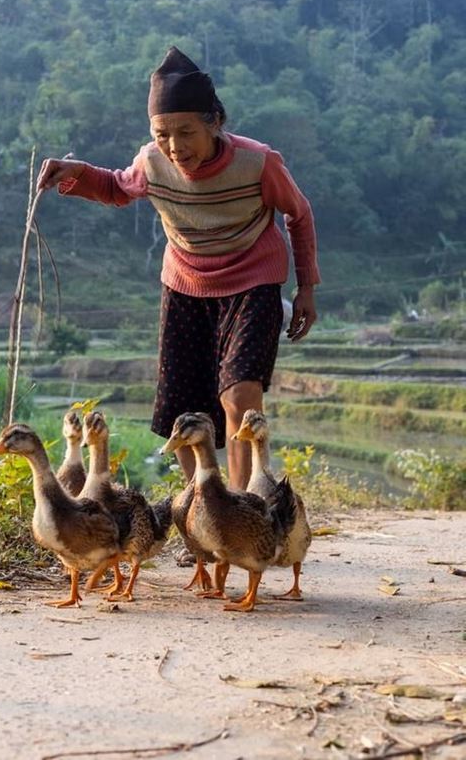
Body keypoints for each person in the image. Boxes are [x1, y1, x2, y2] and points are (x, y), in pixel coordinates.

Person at [37, 47, 320, 490]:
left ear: (215, 123)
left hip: (253, 281)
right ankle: (204, 501)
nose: (174, 146)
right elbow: (115, 187)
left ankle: (242, 505)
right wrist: (73, 172)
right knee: (183, 404)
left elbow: (298, 214)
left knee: (240, 393)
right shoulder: (152, 162)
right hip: (186, 285)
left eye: (186, 132)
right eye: (162, 133)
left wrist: (306, 287)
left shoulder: (259, 163)